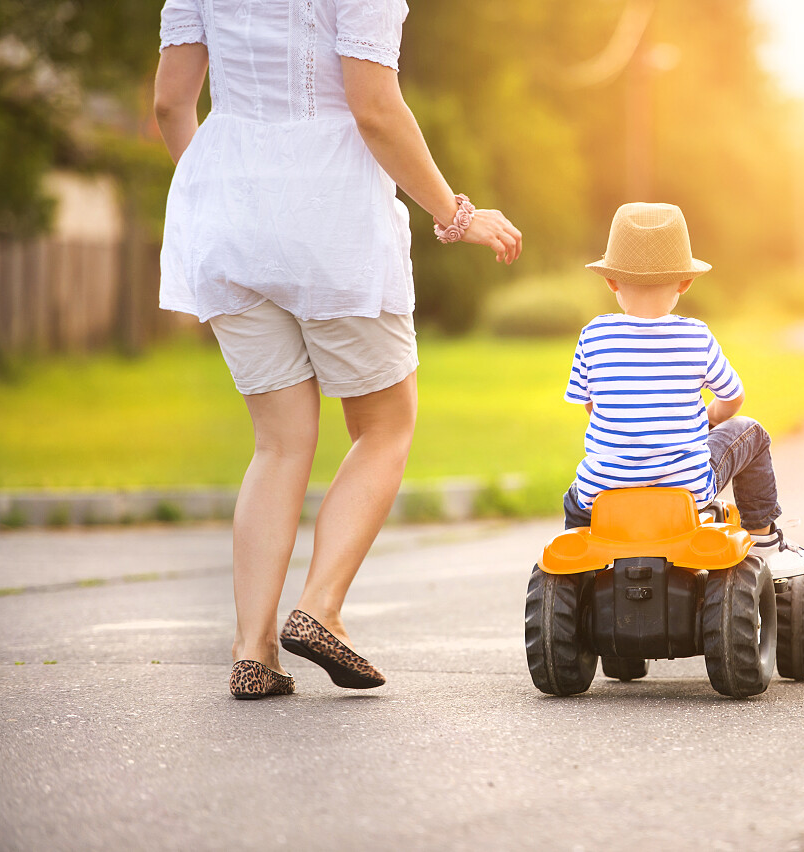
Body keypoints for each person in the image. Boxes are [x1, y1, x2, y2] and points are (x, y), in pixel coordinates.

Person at [153, 0, 522, 699]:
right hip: (333, 223)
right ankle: (319, 607)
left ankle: (252, 649)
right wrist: (457, 215)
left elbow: (171, 103)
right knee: (385, 426)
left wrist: (219, 192)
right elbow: (374, 108)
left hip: (230, 227)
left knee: (278, 444)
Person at [561, 202, 804, 580]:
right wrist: (708, 419)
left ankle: (579, 559)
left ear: (611, 280)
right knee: (752, 432)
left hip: (603, 489)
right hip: (686, 485)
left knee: (575, 495)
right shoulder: (695, 334)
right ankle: (764, 542)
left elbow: (590, 405)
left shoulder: (594, 334)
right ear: (685, 281)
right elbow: (733, 397)